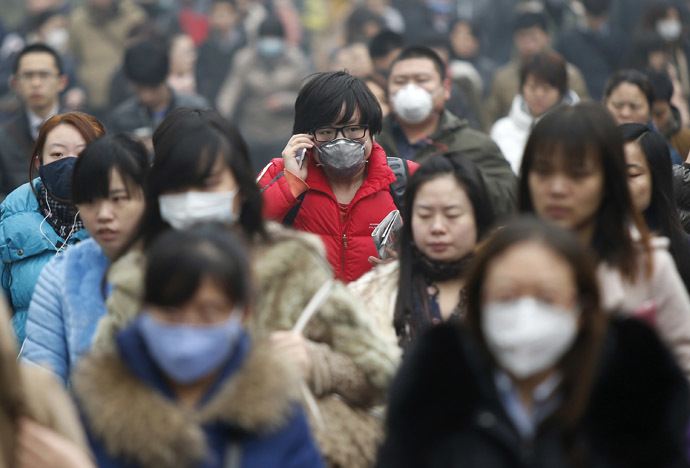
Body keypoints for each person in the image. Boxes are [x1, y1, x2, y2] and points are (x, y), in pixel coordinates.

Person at [92, 108, 399, 468]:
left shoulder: (290, 266)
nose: (192, 198)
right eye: (177, 188)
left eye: (207, 185)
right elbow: (101, 388)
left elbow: (381, 372)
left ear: (239, 189)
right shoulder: (136, 278)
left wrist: (320, 364)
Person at [377, 217, 689, 467]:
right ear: (479, 304)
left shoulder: (632, 405)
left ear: (582, 307)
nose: (525, 312)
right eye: (507, 296)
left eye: (547, 297)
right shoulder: (434, 397)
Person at [71, 224, 325, 468]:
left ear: (243, 313)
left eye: (209, 312)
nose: (188, 328)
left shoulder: (278, 413)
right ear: (144, 305)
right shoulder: (94, 408)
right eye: (171, 312)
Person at [518, 102, 690, 383]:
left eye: (578, 173)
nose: (557, 188)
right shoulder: (502, 261)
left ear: (607, 180)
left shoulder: (649, 265)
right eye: (543, 171)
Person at [258, 70, 419, 283]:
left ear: (372, 130)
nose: (341, 142)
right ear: (305, 136)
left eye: (353, 129)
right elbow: (243, 234)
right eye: (326, 132)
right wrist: (291, 185)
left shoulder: (407, 178)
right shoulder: (279, 175)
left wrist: (411, 266)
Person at [21, 134, 148, 383]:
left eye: (118, 199)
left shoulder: (177, 264)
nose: (103, 214)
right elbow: (41, 375)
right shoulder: (62, 273)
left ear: (146, 196)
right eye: (89, 201)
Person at [349, 152, 495, 349]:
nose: (437, 227)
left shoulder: (507, 287)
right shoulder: (371, 294)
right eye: (424, 215)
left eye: (452, 215)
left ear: (478, 217)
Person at [376, 45, 517, 219]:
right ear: (388, 91)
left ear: (446, 88)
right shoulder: (372, 143)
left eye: (421, 80)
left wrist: (460, 180)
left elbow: (510, 200)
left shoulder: (475, 145)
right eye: (400, 81)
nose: (410, 89)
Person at [0, 112, 105, 344]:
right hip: (29, 371)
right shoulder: (12, 214)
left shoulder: (117, 218)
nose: (69, 162)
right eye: (57, 154)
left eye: (83, 153)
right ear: (39, 162)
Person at [216, 16, 311, 170]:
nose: (270, 43)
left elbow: (309, 97)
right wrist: (221, 120)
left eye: (274, 38)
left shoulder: (296, 59)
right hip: (252, 130)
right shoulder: (245, 59)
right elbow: (230, 93)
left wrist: (285, 100)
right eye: (266, 38)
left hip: (283, 133)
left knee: (281, 180)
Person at [620, 123, 690, 292]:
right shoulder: (581, 244)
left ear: (658, 179)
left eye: (632, 175)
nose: (618, 183)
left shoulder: (683, 252)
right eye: (610, 171)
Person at [486, 11, 588, 125]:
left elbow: (584, 115)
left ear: (547, 37)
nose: (529, 45)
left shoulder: (569, 74)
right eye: (522, 38)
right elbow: (490, 119)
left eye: (534, 38)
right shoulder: (503, 78)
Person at [108, 39, 210, 151]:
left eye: (153, 88)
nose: (147, 96)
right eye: (140, 89)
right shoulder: (122, 119)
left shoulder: (195, 111)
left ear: (165, 77)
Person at [491, 50, 578, 174]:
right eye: (532, 87)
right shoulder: (502, 129)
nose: (539, 94)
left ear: (561, 91)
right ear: (522, 87)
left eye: (546, 89)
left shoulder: (576, 130)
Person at [0, 44, 67, 200]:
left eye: (44, 75)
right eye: (28, 75)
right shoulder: (4, 138)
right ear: (15, 84)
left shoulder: (84, 131)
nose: (36, 83)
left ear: (62, 82)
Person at [68, 0, 146, 118]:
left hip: (127, 98)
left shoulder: (133, 16)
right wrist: (76, 87)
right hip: (91, 100)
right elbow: (72, 58)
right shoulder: (78, 20)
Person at [604, 68, 684, 165]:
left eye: (635, 106)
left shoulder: (666, 156)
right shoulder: (593, 144)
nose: (625, 113)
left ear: (649, 110)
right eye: (617, 105)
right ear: (605, 102)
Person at [555, 0, 628, 100]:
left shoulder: (618, 38)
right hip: (579, 95)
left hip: (611, 94)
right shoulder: (568, 41)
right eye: (592, 18)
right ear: (585, 13)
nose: (596, 23)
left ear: (607, 15)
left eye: (600, 18)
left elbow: (622, 69)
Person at [195, 0, 246, 105]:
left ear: (235, 15)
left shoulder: (245, 45)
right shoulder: (205, 47)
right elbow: (201, 78)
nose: (219, 16)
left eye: (224, 12)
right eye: (215, 12)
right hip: (211, 102)